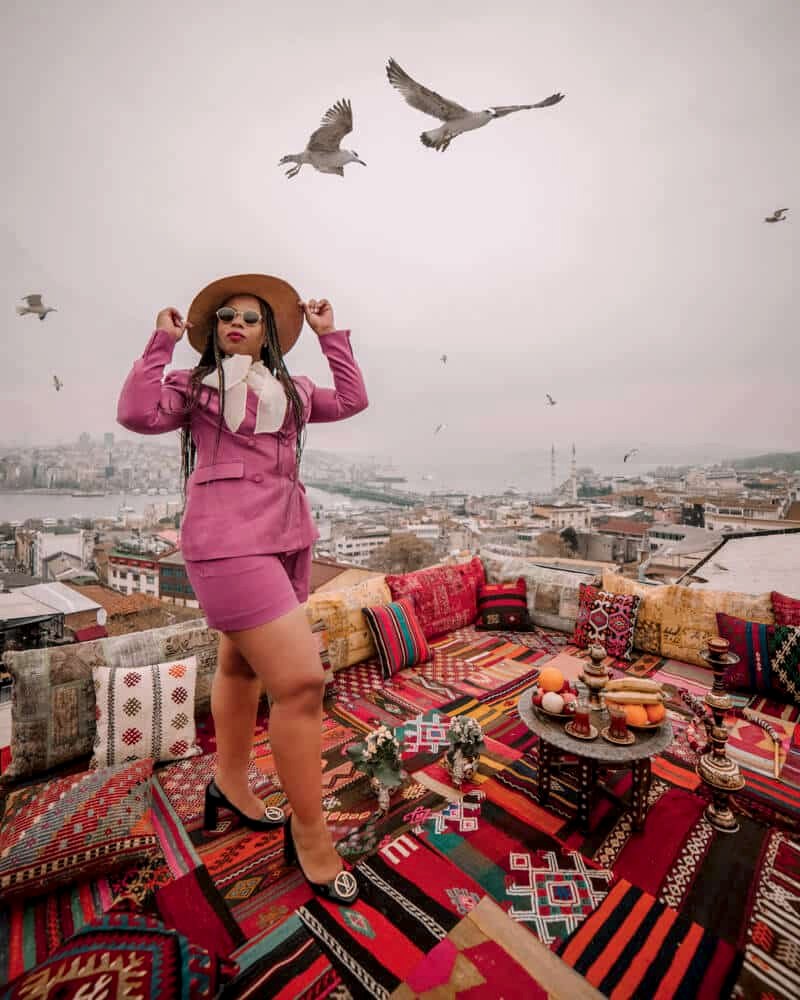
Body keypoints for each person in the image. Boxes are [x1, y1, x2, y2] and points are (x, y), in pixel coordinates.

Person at [117, 273, 368, 904]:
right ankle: (311, 834)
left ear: (269, 333)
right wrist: (160, 343)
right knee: (302, 682)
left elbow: (355, 398)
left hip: (285, 538)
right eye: (226, 315)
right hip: (228, 541)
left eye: (251, 318)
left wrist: (330, 334)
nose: (237, 323)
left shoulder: (295, 391)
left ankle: (231, 781)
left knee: (240, 664)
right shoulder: (197, 389)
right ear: (214, 329)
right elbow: (134, 412)